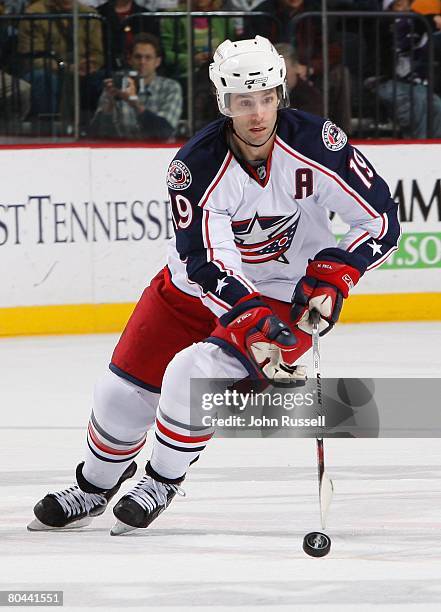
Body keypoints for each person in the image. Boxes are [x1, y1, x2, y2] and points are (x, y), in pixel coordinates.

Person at [28, 35, 400, 535]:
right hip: (190, 288)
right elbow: (203, 261)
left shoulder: (318, 144)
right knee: (119, 394)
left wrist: (334, 278)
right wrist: (245, 314)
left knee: (191, 374)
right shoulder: (195, 166)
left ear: (280, 95)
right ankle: (94, 488)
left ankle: (162, 480)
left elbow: (381, 221)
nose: (258, 114)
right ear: (225, 103)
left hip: (285, 295)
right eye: (244, 102)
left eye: (267, 97)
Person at [18, 0, 104, 117]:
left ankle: (98, 128)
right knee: (43, 78)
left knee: (101, 78)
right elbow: (32, 57)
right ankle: (47, 127)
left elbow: (97, 53)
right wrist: (65, 67)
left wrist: (90, 64)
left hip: (82, 70)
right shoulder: (34, 13)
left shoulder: (89, 14)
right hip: (49, 69)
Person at [90, 32, 182, 140]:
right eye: (138, 57)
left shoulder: (170, 88)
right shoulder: (116, 85)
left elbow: (164, 132)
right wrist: (108, 109)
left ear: (157, 62)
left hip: (160, 154)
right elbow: (96, 134)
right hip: (121, 153)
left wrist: (134, 102)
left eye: (148, 57)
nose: (142, 62)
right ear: (130, 59)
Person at [373, 0, 441, 137]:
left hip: (411, 84)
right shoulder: (382, 26)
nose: (405, 9)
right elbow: (400, 32)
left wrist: (432, 19)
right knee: (420, 103)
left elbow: (422, 24)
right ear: (389, 9)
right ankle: (420, 147)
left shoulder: (416, 22)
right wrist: (429, 20)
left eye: (407, 4)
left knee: (437, 105)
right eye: (399, 5)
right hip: (385, 81)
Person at [97, 0, 160, 70]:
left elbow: (156, 47)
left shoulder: (146, 15)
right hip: (107, 68)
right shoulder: (99, 14)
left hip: (141, 67)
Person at [275, 42, 323, 115]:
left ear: (297, 67)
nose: (280, 77)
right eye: (275, 72)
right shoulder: (266, 96)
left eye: (284, 71)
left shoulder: (311, 97)